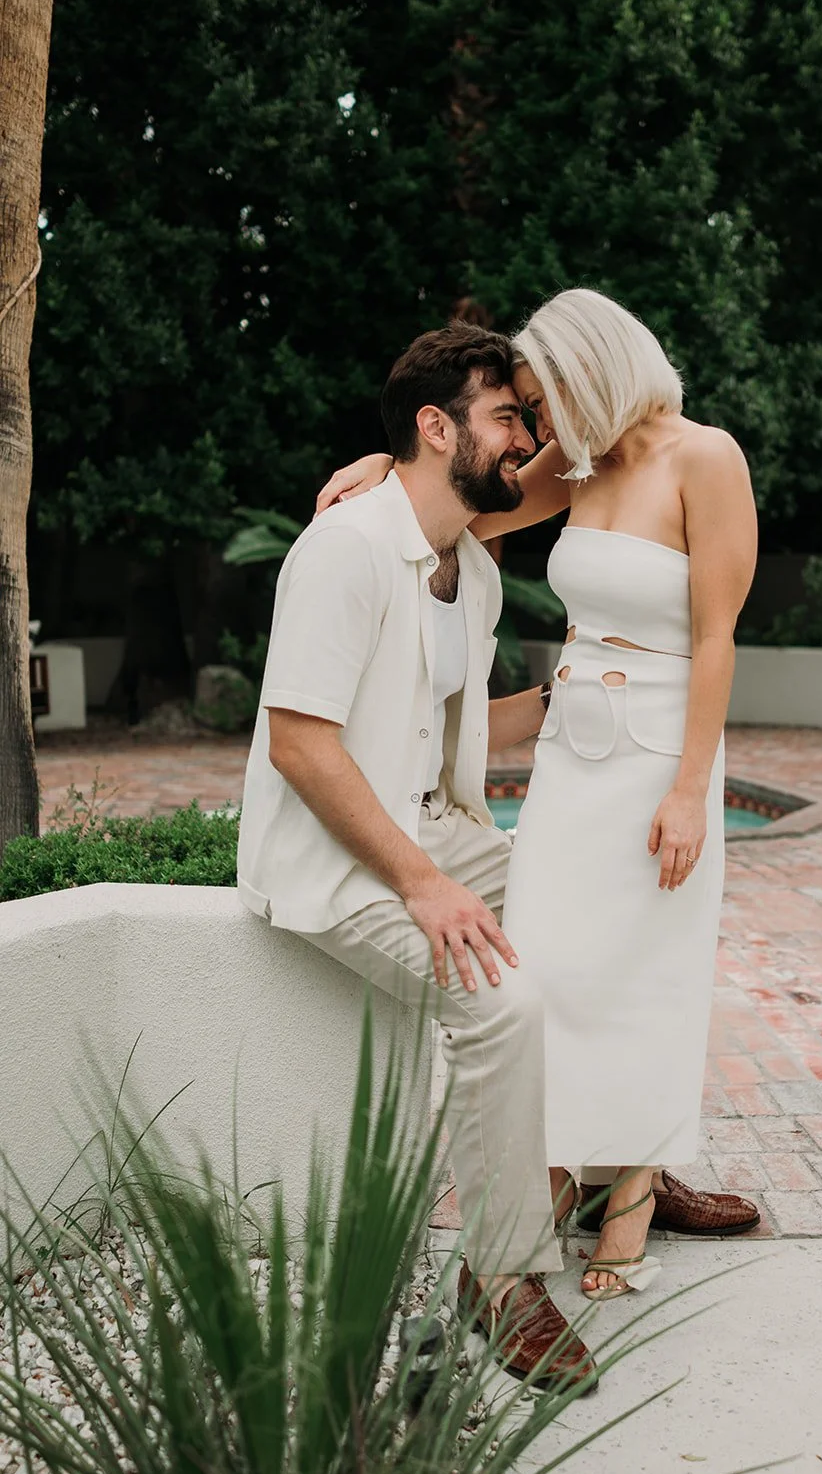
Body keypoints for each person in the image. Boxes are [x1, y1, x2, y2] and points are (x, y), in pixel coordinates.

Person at [317, 289, 761, 1300]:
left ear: (592, 372)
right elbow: (470, 497)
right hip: (572, 756)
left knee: (651, 970)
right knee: (554, 971)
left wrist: (691, 789)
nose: (533, 427)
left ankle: (635, 1192)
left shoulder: (704, 457)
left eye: (542, 399)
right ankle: (558, 1171)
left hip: (659, 754)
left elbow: (716, 638)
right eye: (523, 407)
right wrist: (385, 467)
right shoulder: (579, 465)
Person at [237, 322, 596, 1389]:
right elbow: (301, 743)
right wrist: (424, 881)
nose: (527, 442)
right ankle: (500, 1275)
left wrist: (576, 700)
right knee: (502, 1002)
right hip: (338, 858)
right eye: (506, 418)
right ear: (435, 427)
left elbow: (448, 724)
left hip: (431, 829)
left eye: (529, 419)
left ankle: (605, 1167)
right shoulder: (345, 550)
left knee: (597, 917)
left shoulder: (467, 570)